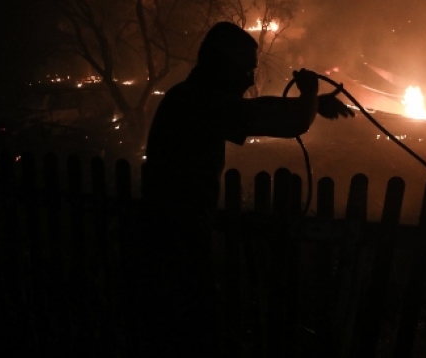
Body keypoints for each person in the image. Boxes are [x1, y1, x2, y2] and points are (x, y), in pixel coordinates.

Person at [135, 21, 353, 356]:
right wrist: (308, 96)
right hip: (176, 246)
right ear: (224, 65)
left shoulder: (187, 97)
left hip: (166, 239)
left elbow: (256, 107)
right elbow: (283, 122)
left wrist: (314, 103)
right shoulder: (200, 103)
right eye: (247, 69)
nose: (250, 79)